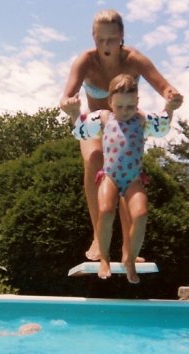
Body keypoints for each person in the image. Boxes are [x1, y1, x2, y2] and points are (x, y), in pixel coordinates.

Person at [60, 9, 183, 262]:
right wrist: (69, 105)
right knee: (94, 157)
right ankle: (97, 236)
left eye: (112, 39)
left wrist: (172, 96)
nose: (106, 45)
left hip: (126, 121)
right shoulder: (85, 61)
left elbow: (164, 87)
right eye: (101, 39)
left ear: (122, 36)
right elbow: (67, 96)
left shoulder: (135, 59)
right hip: (97, 122)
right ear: (93, 38)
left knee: (126, 174)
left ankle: (129, 247)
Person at [72, 73, 177, 284]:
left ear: (137, 102)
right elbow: (80, 132)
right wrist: (74, 112)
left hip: (133, 179)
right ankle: (104, 258)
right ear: (110, 102)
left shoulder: (142, 119)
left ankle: (129, 259)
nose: (125, 112)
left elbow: (162, 127)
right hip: (110, 176)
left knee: (141, 214)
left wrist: (171, 109)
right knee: (105, 211)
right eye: (119, 107)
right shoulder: (103, 117)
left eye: (130, 106)